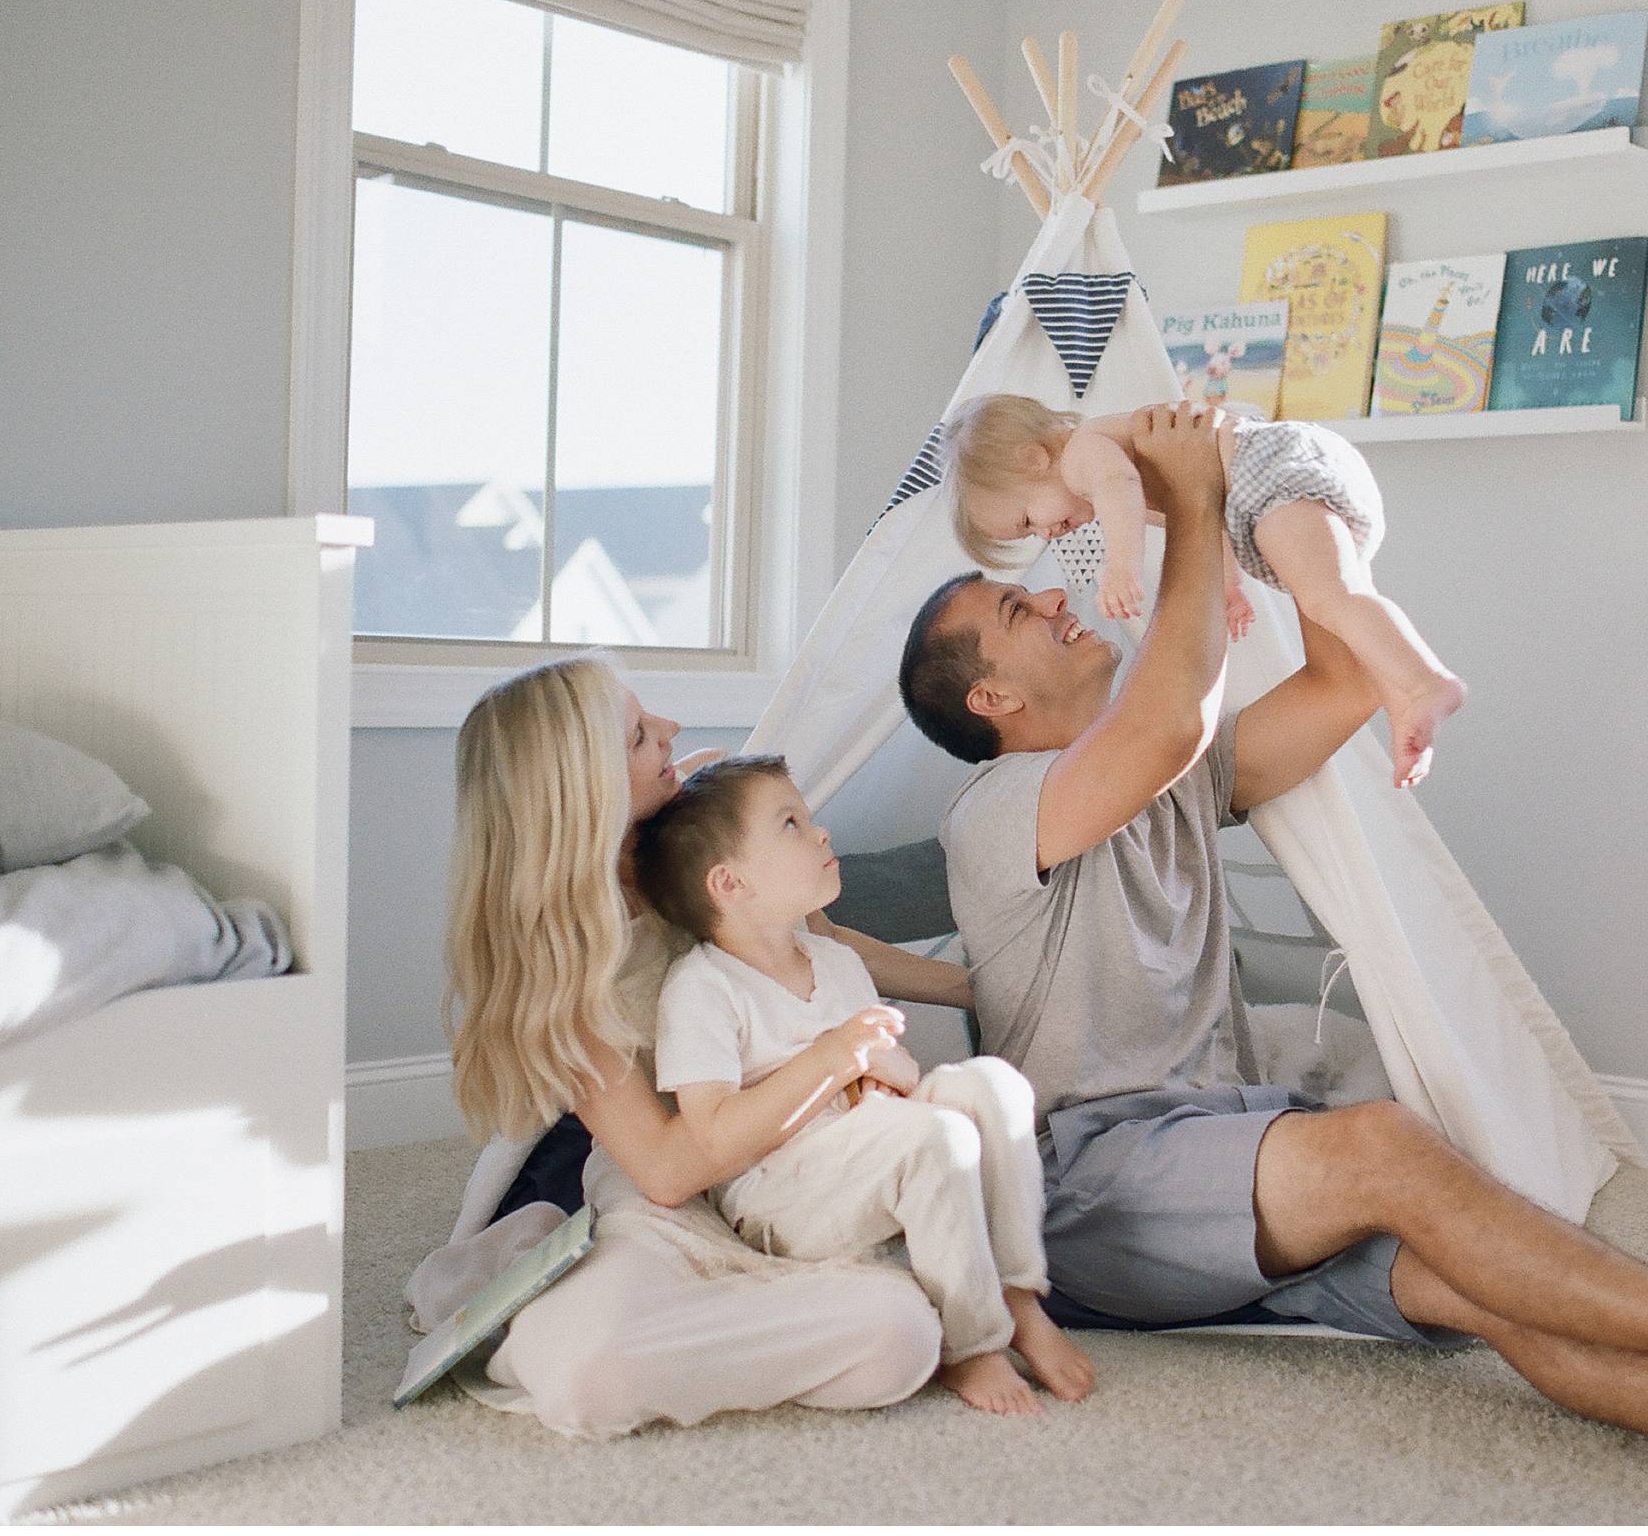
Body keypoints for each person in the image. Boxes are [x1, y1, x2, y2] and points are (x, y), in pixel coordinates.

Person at [899, 401, 1648, 1523]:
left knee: (1475, 1276)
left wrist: (1271, 510)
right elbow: (1160, 725)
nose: (1054, 596)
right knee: (1383, 1145)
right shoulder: (989, 813)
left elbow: (1334, 686)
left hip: (1217, 1143)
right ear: (993, 698)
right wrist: (1181, 508)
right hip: (1088, 1184)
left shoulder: (1171, 776)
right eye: (1015, 609)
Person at [419, 655, 975, 1438]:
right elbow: (667, 1169)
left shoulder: (702, 807)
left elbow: (819, 945)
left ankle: (729, 1316)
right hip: (670, 1178)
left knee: (903, 1335)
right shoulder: (568, 969)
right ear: (587, 791)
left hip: (799, 1154)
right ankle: (563, 1311)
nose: (673, 733)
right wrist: (830, 1062)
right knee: (589, 1376)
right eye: (642, 734)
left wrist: (966, 985)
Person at [632, 753, 1091, 1416]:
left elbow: (890, 1074)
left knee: (993, 1085)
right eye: (791, 824)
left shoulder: (836, 962)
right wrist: (832, 1060)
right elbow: (710, 1131)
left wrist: (885, 1079)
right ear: (729, 885)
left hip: (864, 1148)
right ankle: (971, 1345)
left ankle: (1017, 1294)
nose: (820, 834)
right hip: (782, 1195)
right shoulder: (703, 990)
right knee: (935, 1137)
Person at [943, 391, 1464, 787]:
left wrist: (1121, 567)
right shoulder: (1115, 461)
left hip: (1270, 472)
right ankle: (1405, 696)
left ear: (1035, 460)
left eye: (1029, 518)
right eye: (1030, 534)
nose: (1047, 533)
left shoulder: (1084, 456)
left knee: (1333, 600)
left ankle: (1425, 684)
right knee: (1338, 601)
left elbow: (1118, 492)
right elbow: (1206, 511)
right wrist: (1230, 587)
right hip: (1275, 479)